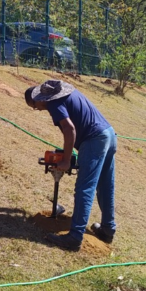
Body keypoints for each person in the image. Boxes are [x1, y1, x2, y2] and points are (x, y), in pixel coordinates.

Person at [25, 80, 117, 251]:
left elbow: (69, 129)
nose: (37, 109)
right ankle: (107, 229)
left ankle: (75, 237)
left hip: (94, 139)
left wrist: (66, 160)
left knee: (85, 188)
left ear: (41, 98)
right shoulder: (69, 95)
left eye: (35, 105)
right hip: (109, 135)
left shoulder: (53, 102)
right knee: (105, 185)